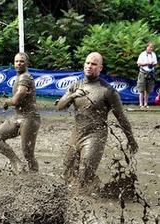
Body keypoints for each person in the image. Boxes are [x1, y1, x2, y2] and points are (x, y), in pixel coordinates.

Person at [56, 52, 138, 191]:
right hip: (76, 135)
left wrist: (131, 139)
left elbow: (121, 117)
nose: (89, 66)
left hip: (95, 137)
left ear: (100, 68)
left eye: (94, 64)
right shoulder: (75, 86)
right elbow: (59, 107)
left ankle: (86, 201)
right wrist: (72, 95)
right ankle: (96, 189)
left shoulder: (108, 90)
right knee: (67, 174)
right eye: (87, 63)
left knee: (84, 174)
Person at [0, 52, 41, 173]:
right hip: (17, 117)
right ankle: (16, 162)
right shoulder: (19, 77)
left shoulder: (25, 77)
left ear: (27, 63)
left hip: (30, 118)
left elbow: (18, 98)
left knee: (28, 154)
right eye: (16, 61)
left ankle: (35, 177)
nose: (18, 63)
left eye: (21, 61)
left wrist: (7, 102)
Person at [137, 41, 157, 109]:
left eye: (152, 47)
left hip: (150, 73)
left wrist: (152, 64)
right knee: (141, 89)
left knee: (148, 90)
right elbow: (138, 64)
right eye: (150, 47)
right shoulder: (142, 54)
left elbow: (155, 63)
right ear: (147, 46)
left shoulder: (153, 54)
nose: (151, 48)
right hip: (143, 73)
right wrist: (146, 63)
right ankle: (140, 104)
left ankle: (146, 104)